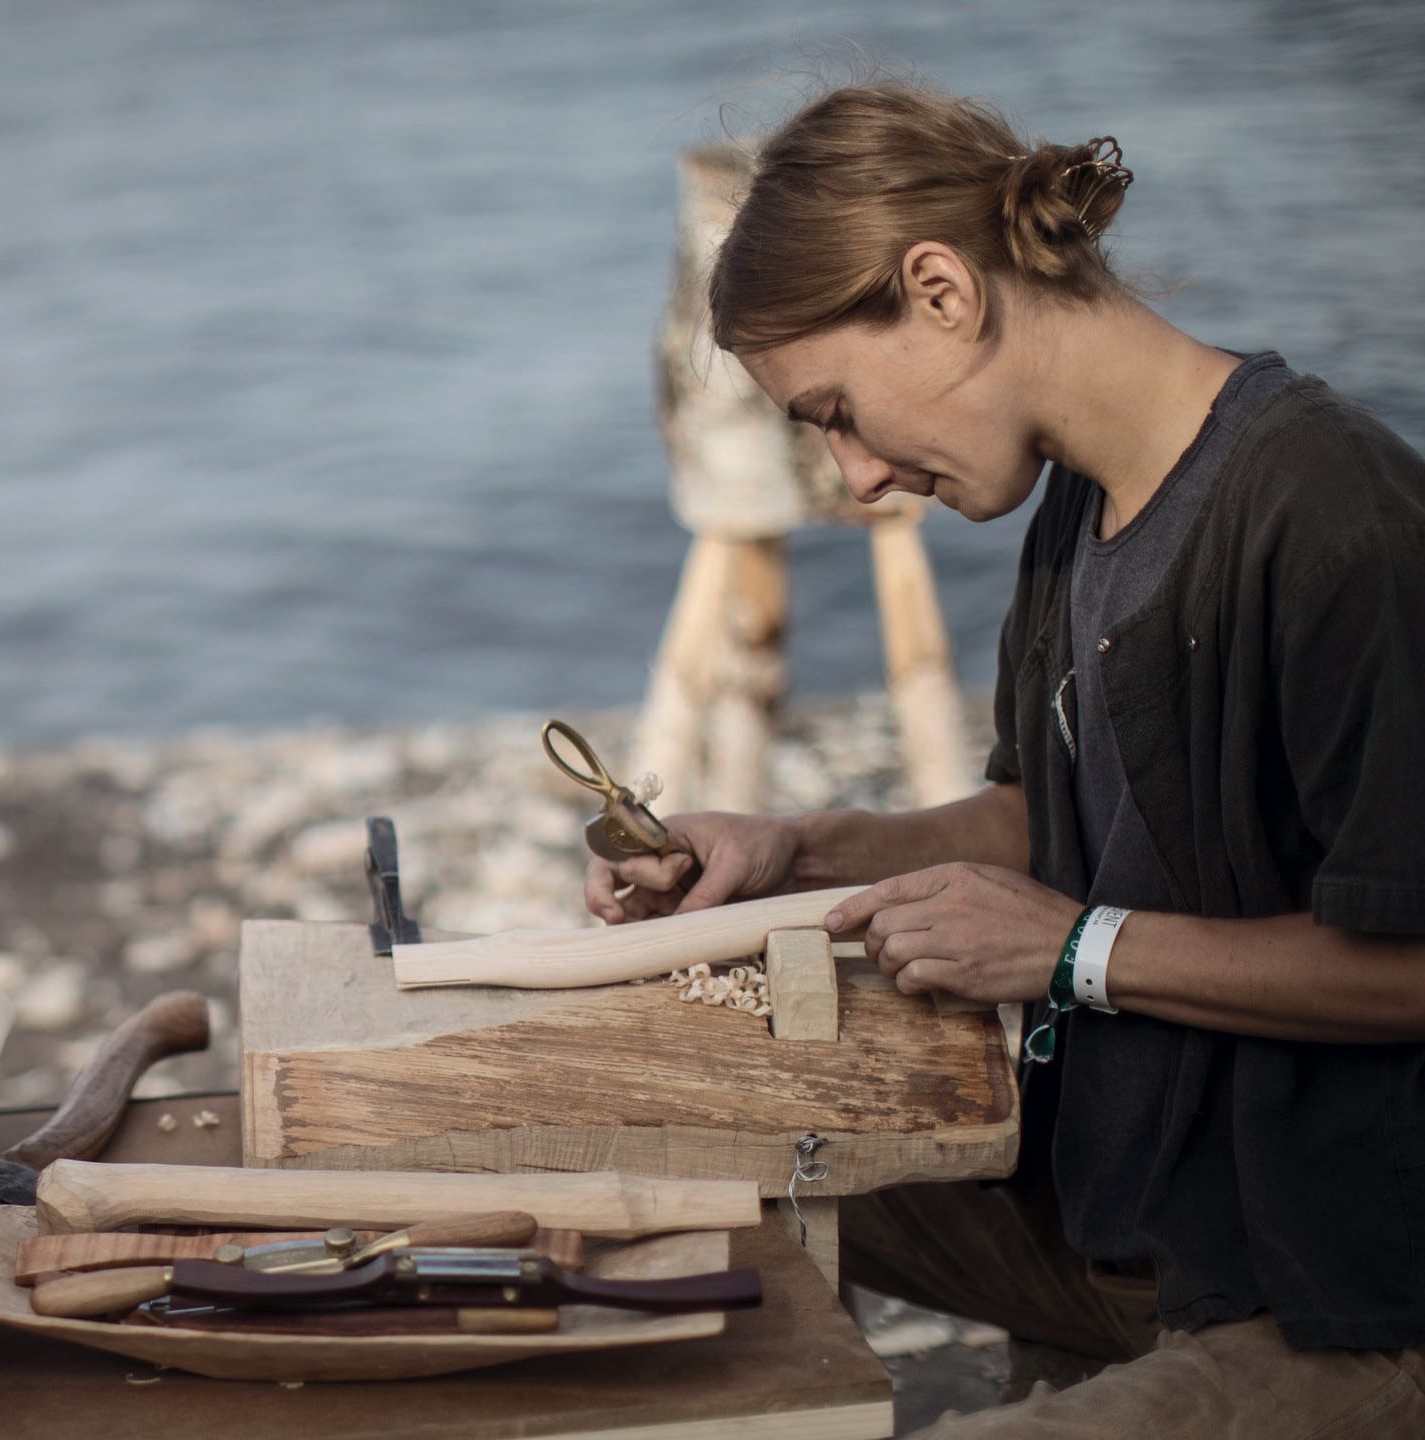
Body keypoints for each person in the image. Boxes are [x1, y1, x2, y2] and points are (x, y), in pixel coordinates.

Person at [585, 82, 1425, 1435]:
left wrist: (1077, 950)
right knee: (669, 1155)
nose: (856, 480)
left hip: (1331, 1292)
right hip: (1102, 1217)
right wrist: (796, 849)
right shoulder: (1080, 507)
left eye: (840, 410)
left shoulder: (1333, 519)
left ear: (939, 291)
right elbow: (1053, 815)